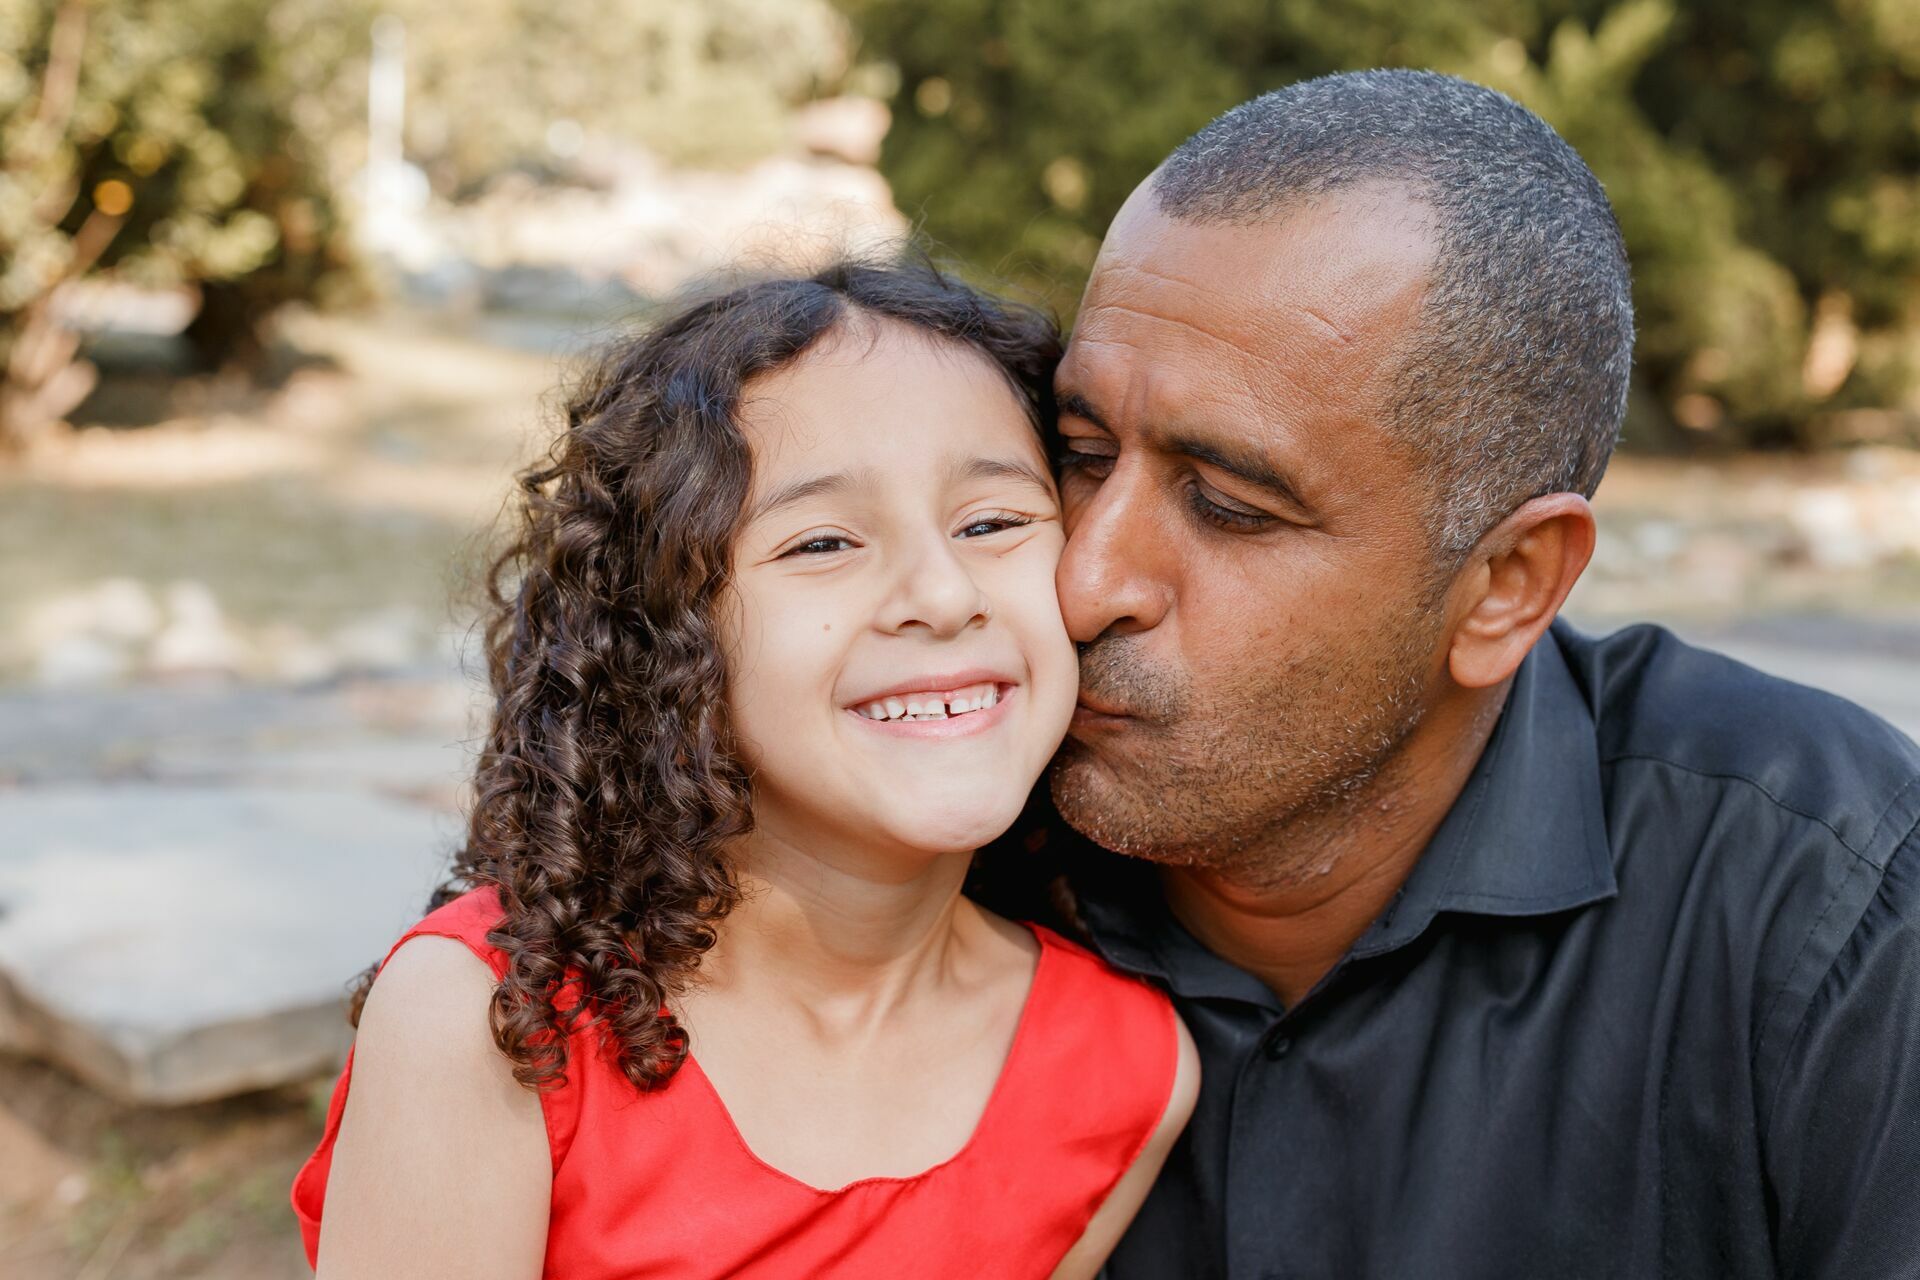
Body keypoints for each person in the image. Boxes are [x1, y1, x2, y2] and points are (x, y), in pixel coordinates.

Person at [1034, 70, 1920, 1277]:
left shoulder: (1819, 903)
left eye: (1230, 505)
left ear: (1508, 581)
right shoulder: (912, 834)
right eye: (1082, 452)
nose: (1086, 581)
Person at [289, 258, 1199, 1279]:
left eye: (990, 522)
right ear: (665, 631)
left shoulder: (1126, 1069)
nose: (942, 595)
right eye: (821, 542)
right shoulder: (497, 1026)